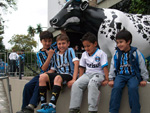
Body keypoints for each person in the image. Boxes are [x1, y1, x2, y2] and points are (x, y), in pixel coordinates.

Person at [108, 29, 149, 113]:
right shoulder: (117, 53)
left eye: (121, 42)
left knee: (133, 88)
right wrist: (111, 78)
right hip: (120, 75)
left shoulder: (136, 52)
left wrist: (144, 79)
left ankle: (135, 111)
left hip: (132, 75)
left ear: (128, 42)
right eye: (117, 42)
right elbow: (113, 66)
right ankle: (113, 111)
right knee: (116, 88)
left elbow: (142, 65)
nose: (119, 44)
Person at [36, 34, 79, 113]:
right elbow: (52, 70)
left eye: (63, 43)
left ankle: (52, 106)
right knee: (42, 77)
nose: (61, 46)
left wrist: (74, 79)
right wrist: (46, 74)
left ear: (68, 44)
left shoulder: (70, 50)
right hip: (59, 74)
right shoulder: (55, 55)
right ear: (57, 44)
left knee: (57, 78)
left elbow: (76, 63)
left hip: (68, 74)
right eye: (59, 44)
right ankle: (44, 105)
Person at [16, 31, 57, 113]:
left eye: (49, 41)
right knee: (28, 86)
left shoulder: (54, 48)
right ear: (41, 41)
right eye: (45, 41)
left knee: (40, 81)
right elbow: (44, 68)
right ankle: (24, 108)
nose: (47, 43)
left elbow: (62, 38)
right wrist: (49, 56)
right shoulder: (39, 53)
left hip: (53, 74)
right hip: (43, 73)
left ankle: (31, 105)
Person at [69, 32, 109, 113]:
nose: (86, 48)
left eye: (88, 46)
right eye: (85, 46)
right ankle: (74, 109)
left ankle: (92, 110)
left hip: (99, 75)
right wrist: (79, 79)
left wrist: (107, 79)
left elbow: (105, 67)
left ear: (95, 44)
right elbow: (82, 68)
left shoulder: (101, 53)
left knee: (92, 84)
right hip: (87, 75)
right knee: (76, 84)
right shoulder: (84, 54)